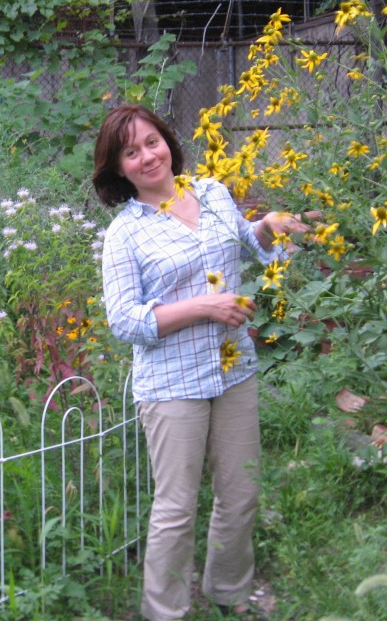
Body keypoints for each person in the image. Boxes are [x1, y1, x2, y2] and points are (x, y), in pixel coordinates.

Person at [92, 104, 308, 620]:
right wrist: (201, 308)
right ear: (119, 169)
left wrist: (268, 227)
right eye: (131, 152)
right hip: (172, 385)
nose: (147, 156)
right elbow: (124, 320)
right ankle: (164, 611)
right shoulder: (126, 233)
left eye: (152, 142)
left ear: (168, 141)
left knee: (241, 492)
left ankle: (230, 592)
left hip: (234, 369)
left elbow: (243, 247)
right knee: (175, 509)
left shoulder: (210, 192)